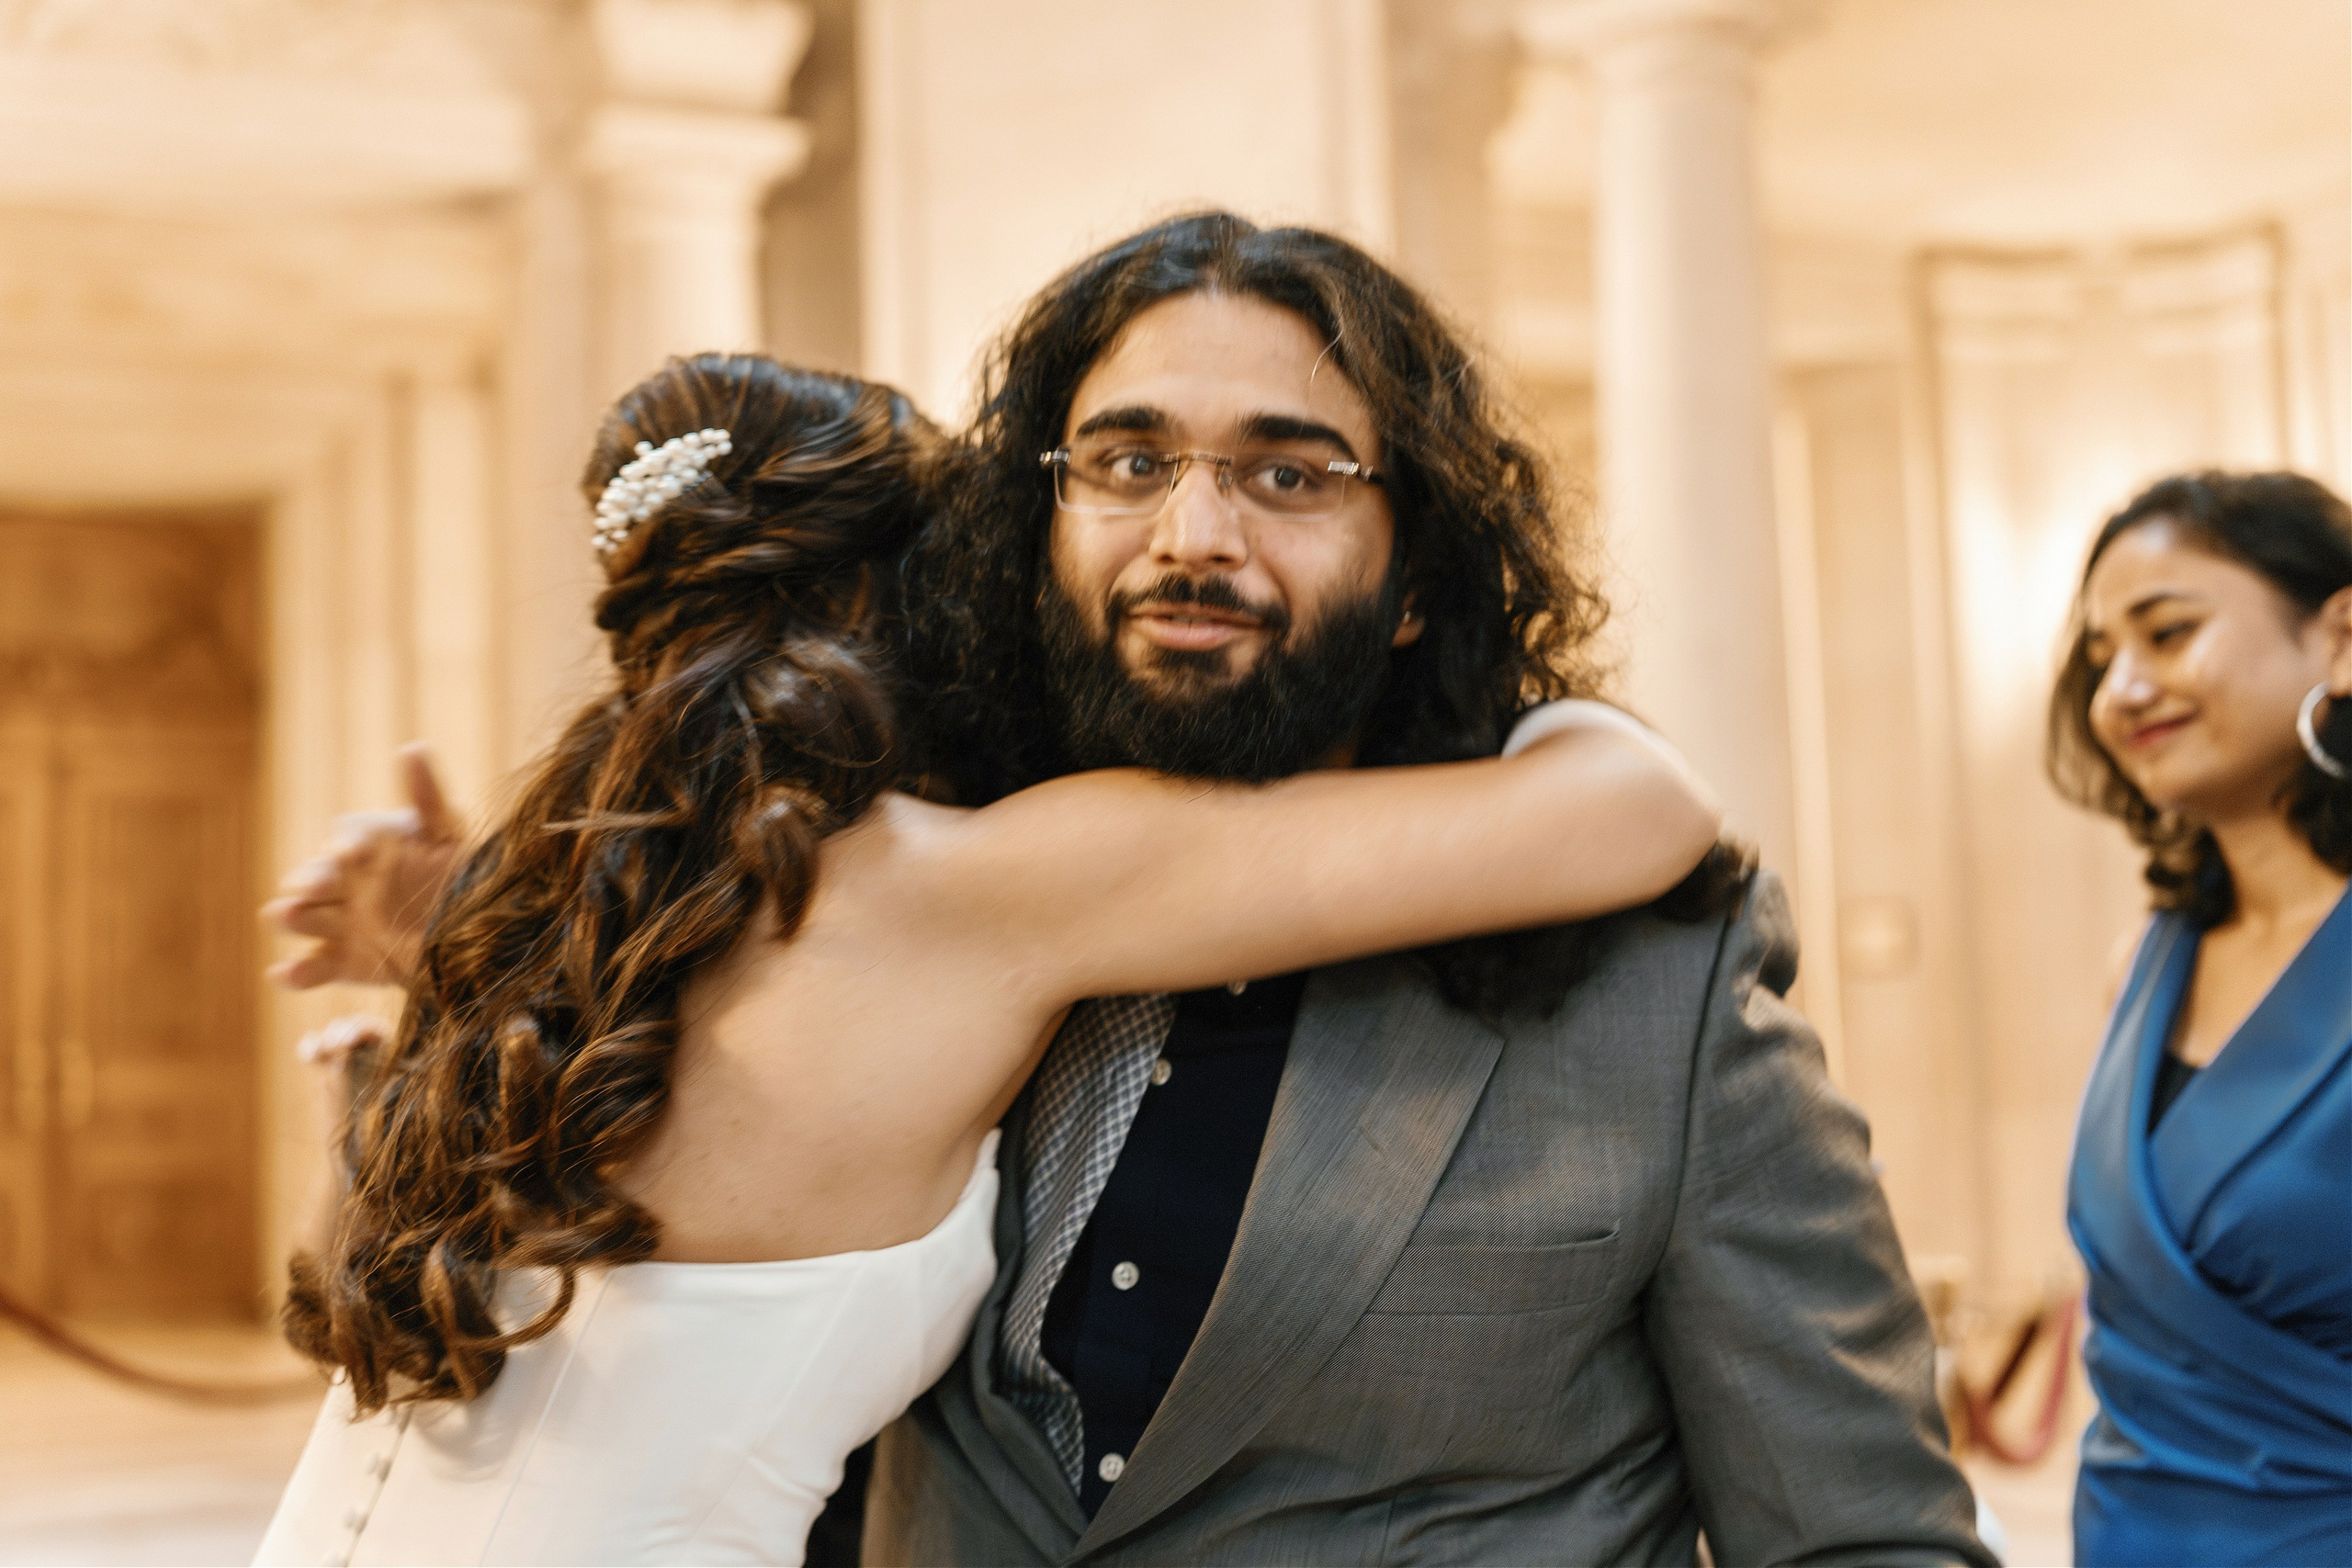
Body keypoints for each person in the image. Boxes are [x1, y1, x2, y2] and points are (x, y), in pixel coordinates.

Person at [278, 214, 1990, 1567]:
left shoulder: (1656, 990)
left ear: (1421, 584)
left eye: (1291, 472)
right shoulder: (901, 892)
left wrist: (501, 935)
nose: (1193, 532)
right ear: (1021, 539)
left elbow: (1860, 1535)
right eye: (1124, 460)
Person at [2049, 469, 2352, 1567]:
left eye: (2167, 633)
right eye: (2099, 658)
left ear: (2340, 637)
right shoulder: (2141, 962)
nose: (2123, 687)